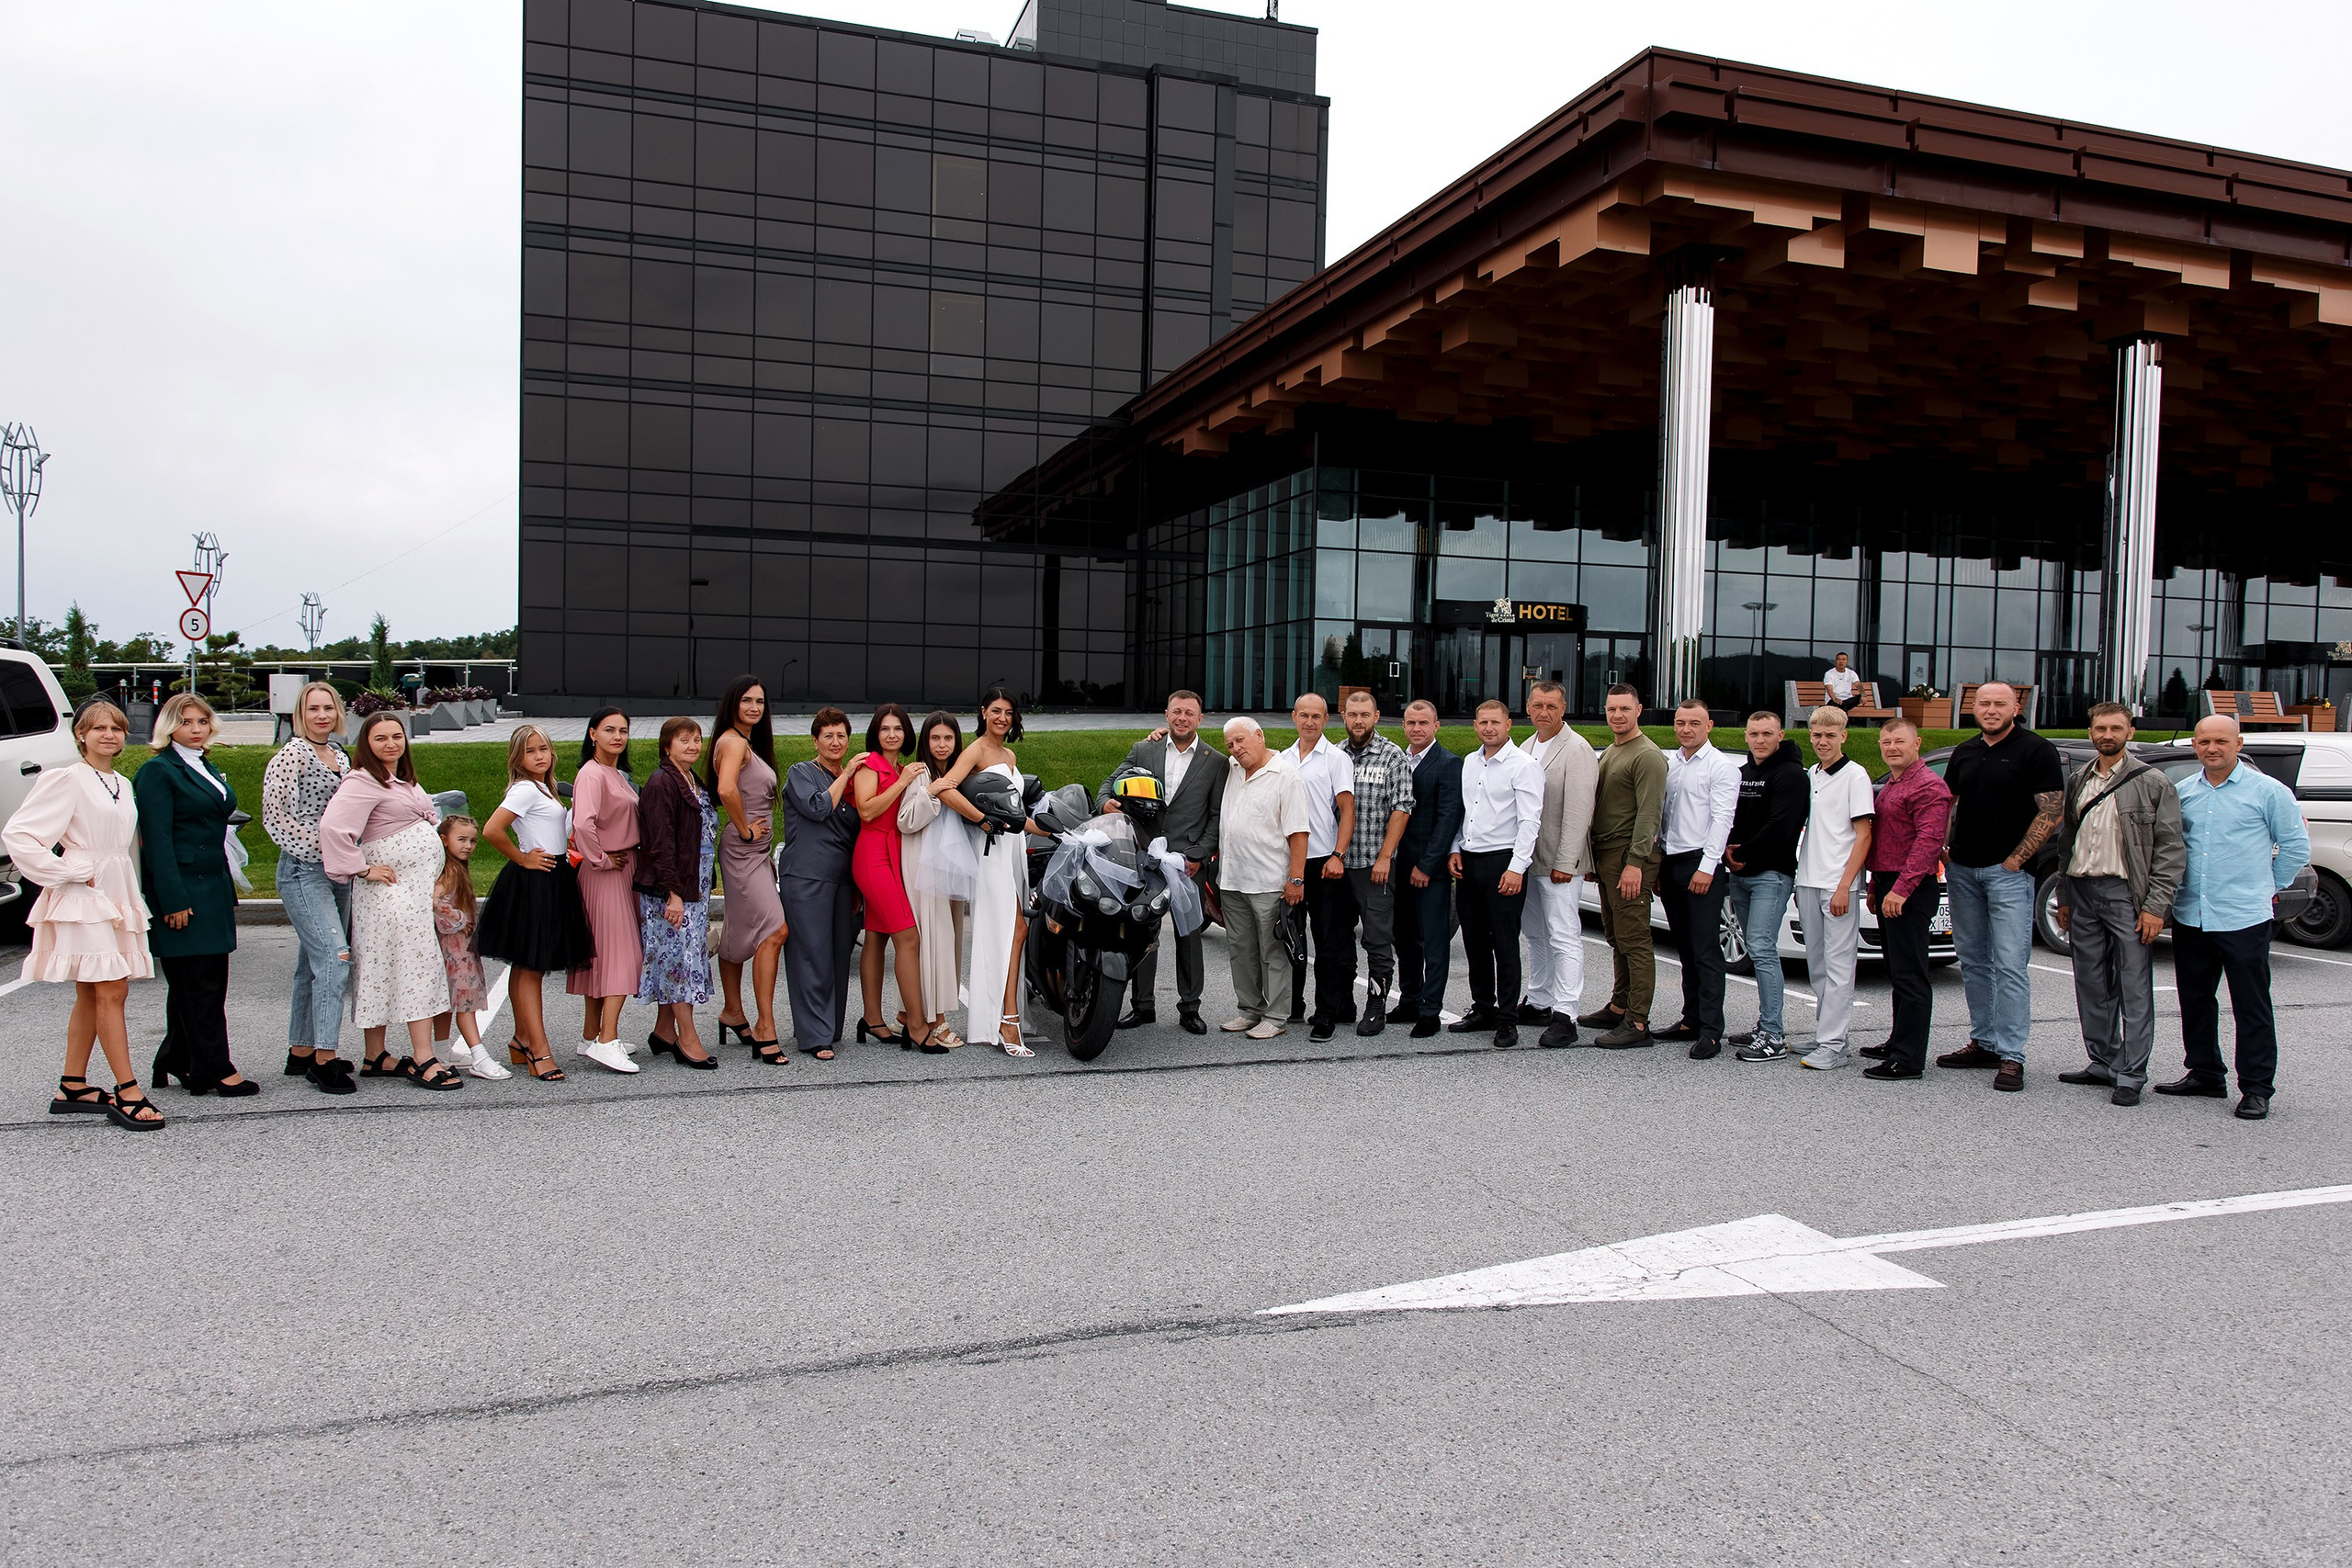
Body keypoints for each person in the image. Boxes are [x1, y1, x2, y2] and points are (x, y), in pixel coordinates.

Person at [4, 700, 164, 1131]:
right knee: (111, 991)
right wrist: (65, 870)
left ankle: (72, 1085)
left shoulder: (123, 784)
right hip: (84, 893)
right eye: (98, 728)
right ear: (81, 734)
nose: (109, 734)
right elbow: (18, 833)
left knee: (93, 993)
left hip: (116, 890)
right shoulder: (67, 779)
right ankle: (127, 1090)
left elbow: (124, 846)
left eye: (116, 727)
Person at [2157, 714, 2308, 1121]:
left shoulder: (2268, 792)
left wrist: (2265, 887)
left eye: (2221, 741)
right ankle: (2205, 1073)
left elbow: (2295, 848)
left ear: (2238, 744)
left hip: (2244, 916)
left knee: (2251, 1004)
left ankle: (2257, 1088)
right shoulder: (2184, 791)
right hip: (2193, 914)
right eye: (2204, 741)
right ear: (2194, 745)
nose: (2212, 749)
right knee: (2195, 999)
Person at [319, 712, 464, 1090]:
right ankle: (422, 1057)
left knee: (384, 969)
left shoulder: (400, 780)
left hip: (412, 894)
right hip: (390, 897)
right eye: (379, 738)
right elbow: (333, 828)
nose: (390, 744)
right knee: (417, 969)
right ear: (366, 743)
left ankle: (376, 1056)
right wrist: (362, 869)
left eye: (396, 736)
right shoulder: (362, 781)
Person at [2051, 703, 2185, 1105]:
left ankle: (2131, 1072)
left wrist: (2155, 906)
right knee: (2090, 981)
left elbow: (2170, 850)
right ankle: (2104, 1060)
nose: (2107, 734)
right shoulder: (2078, 779)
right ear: (2090, 732)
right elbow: (2067, 843)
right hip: (2083, 890)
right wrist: (2064, 895)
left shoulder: (2153, 782)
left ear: (2130, 732)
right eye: (2100, 728)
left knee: (2134, 985)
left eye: (2115, 728)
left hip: (2127, 894)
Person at [1936, 680, 2064, 1092]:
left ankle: (2012, 1056)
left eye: (1999, 704)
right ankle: (1984, 1041)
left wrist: (2017, 859)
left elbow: (2052, 810)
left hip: (2008, 874)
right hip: (1963, 871)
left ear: (2015, 707)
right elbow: (1947, 802)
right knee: (1972, 960)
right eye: (1984, 703)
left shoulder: (2036, 750)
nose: (1990, 709)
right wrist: (1943, 846)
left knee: (2010, 965)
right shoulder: (1965, 751)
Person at [137, 692, 254, 1097]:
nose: (196, 729)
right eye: (186, 722)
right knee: (199, 983)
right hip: (182, 891)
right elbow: (157, 841)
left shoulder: (205, 765)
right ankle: (215, 1068)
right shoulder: (158, 771)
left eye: (202, 722)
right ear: (170, 726)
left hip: (212, 887)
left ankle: (176, 1057)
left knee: (199, 981)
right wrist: (172, 901)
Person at [1096, 690, 1224, 1034]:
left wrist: (1200, 854)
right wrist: (1107, 802)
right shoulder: (1144, 749)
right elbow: (1109, 784)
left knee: (1189, 935)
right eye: (1177, 711)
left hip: (1187, 864)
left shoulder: (1215, 762)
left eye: (1190, 713)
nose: (1182, 718)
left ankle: (1190, 1008)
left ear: (1200, 718)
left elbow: (1216, 817)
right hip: (1144, 858)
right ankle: (1143, 1006)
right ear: (1166, 714)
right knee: (1142, 930)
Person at [935, 687, 1046, 1056]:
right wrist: (982, 820)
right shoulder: (976, 750)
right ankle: (1005, 1020)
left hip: (1013, 850)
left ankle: (1003, 1015)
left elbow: (1014, 815)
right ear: (983, 712)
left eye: (1009, 712)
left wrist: (1055, 829)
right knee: (1014, 929)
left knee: (1015, 930)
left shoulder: (1009, 754)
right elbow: (943, 788)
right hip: (991, 853)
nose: (1002, 718)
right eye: (996, 711)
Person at [477, 724, 592, 1082]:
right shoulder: (525, 789)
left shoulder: (545, 787)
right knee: (529, 966)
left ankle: (522, 1039)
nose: (540, 756)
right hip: (535, 880)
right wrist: (522, 858)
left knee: (529, 966)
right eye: (531, 751)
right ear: (518, 757)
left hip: (555, 877)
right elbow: (492, 830)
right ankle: (538, 1050)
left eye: (544, 749)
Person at [261, 680, 355, 1094]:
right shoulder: (290, 756)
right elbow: (275, 818)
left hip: (340, 873)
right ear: (300, 713)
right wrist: (325, 850)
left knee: (310, 966)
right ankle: (326, 1059)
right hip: (304, 871)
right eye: (313, 708)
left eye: (328, 708)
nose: (322, 716)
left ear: (338, 713)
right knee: (336, 961)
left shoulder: (339, 755)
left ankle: (301, 1050)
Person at [1447, 698, 1544, 1048]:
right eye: (1483, 722)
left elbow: (1530, 822)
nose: (1489, 728)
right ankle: (1483, 1009)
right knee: (1473, 940)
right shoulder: (1470, 763)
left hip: (1504, 862)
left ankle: (1507, 1019)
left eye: (1496, 722)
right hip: (1470, 861)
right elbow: (1466, 812)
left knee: (1504, 943)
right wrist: (1456, 847)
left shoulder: (1524, 766)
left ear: (1508, 726)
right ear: (1475, 726)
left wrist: (1517, 868)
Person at [1860, 717, 1952, 1081]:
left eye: (1899, 741)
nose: (1892, 748)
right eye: (1886, 742)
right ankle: (1897, 1040)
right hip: (1888, 883)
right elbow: (1885, 841)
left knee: (1911, 974)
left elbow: (1928, 843)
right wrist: (1875, 886)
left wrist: (1901, 889)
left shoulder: (1929, 786)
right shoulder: (1894, 784)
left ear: (1918, 744)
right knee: (1897, 970)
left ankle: (1909, 1058)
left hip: (1910, 888)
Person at [850, 704, 944, 1053]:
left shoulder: (903, 768)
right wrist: (903, 782)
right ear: (876, 733)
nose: (892, 735)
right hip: (873, 854)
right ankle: (916, 1025)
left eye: (898, 729)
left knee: (876, 936)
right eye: (885, 729)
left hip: (894, 855)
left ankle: (873, 1019)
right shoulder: (869, 765)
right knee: (908, 936)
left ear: (906, 734)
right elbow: (867, 809)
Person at [1579, 684, 1668, 1049]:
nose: (1617, 715)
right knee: (1616, 936)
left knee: (1634, 940)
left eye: (1624, 709)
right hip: (1606, 858)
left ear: (1639, 710)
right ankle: (1619, 1005)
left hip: (1627, 858)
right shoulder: (1614, 750)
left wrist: (1635, 864)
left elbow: (1650, 815)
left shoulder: (1646, 755)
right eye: (1611, 708)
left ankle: (1637, 1021)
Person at [1652, 698, 1740, 1058]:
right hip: (1671, 862)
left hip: (1700, 864)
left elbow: (1722, 820)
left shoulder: (1721, 767)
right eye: (1680, 722)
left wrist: (1708, 867)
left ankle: (1711, 1029)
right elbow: (1663, 814)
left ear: (1709, 726)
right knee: (1685, 948)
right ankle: (1690, 1019)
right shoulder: (1672, 762)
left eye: (1694, 723)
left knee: (1705, 950)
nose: (1686, 729)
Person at [707, 676, 787, 1063]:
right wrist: (743, 828)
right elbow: (725, 790)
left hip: (752, 850)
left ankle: (732, 1011)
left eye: (760, 701)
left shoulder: (742, 740)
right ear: (732, 703)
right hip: (742, 848)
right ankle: (765, 1025)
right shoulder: (734, 741)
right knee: (776, 929)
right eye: (746, 701)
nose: (754, 707)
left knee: (739, 928)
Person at [1212, 716, 1306, 1039]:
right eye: (1230, 745)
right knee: (1240, 949)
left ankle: (1276, 1016)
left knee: (1272, 951)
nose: (1236, 749)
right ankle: (1249, 1010)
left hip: (1269, 882)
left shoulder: (1286, 776)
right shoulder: (1233, 769)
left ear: (1259, 735)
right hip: (1232, 879)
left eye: (1241, 741)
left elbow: (1298, 833)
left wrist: (1296, 880)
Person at [1792, 706, 1876, 1070]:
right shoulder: (1811, 774)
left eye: (1830, 735)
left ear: (1844, 736)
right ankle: (1826, 1033)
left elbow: (1864, 835)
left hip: (1836, 886)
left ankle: (1834, 1043)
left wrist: (1846, 886)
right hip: (1809, 881)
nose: (1822, 741)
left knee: (1840, 965)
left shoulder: (1855, 776)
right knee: (1818, 965)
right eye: (1816, 735)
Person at [1514, 681, 1597, 1048]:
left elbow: (1580, 811)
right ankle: (1539, 1000)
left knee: (1563, 936)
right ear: (1528, 708)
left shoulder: (1576, 749)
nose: (1543, 712)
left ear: (1563, 708)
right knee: (1535, 934)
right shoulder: (1527, 746)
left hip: (1560, 863)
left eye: (1551, 706)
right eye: (1537, 705)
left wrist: (1566, 861)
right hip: (1529, 860)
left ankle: (1566, 1013)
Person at [780, 707, 863, 1061]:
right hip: (806, 876)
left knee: (839, 954)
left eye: (841, 735)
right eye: (827, 735)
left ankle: (829, 1027)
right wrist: (846, 775)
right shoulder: (801, 772)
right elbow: (817, 808)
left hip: (844, 879)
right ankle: (815, 1036)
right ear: (815, 740)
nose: (835, 741)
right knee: (811, 953)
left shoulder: (857, 782)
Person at [636, 716, 718, 1068]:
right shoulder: (661, 782)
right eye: (684, 739)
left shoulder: (690, 779)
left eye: (697, 739)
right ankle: (687, 1037)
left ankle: (664, 1032)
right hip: (672, 890)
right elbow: (661, 843)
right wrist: (673, 893)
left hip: (694, 887)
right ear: (666, 745)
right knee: (680, 964)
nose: (693, 745)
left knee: (679, 959)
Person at [1724, 712, 1808, 1061]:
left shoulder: (1791, 775)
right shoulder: (1744, 774)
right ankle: (1763, 1026)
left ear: (1780, 735)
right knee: (1755, 948)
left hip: (1770, 875)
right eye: (1754, 733)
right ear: (1746, 736)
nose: (1760, 740)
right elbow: (1729, 816)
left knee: (1761, 948)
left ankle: (1773, 1035)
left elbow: (1782, 824)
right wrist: (1727, 851)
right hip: (1739, 875)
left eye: (1767, 733)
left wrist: (1742, 851)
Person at [1333, 691, 1414, 1037]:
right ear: (1343, 715)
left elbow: (1402, 808)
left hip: (1374, 865)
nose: (1358, 721)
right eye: (1352, 714)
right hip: (1336, 864)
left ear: (1376, 716)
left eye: (1365, 714)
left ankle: (1376, 1006)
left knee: (1378, 941)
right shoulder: (1334, 754)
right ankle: (1341, 1003)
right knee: (1337, 938)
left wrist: (1385, 857)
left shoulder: (1392, 756)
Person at [568, 707, 644, 1075]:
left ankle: (590, 1034)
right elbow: (582, 823)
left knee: (602, 955)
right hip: (606, 871)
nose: (617, 736)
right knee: (624, 954)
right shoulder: (592, 774)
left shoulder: (615, 773)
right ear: (592, 733)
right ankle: (607, 1039)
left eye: (623, 730)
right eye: (609, 730)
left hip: (622, 867)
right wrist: (599, 858)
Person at [897, 711, 976, 1049]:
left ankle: (911, 1013)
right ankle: (934, 1019)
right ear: (925, 742)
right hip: (923, 868)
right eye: (935, 738)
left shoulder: (957, 773)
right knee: (934, 941)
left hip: (951, 868)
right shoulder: (919, 773)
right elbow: (905, 821)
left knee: (951, 939)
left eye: (948, 738)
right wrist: (931, 791)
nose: (942, 745)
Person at [1283, 693, 1356, 1034]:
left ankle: (1326, 1012)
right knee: (1290, 938)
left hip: (1324, 862)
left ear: (1326, 720)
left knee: (1326, 939)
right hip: (1290, 863)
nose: (1309, 722)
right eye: (1304, 715)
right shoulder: (1282, 759)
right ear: (1294, 717)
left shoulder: (1336, 759)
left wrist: (1338, 855)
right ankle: (1292, 1005)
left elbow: (1346, 811)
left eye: (1317, 716)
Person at [1391, 700, 1462, 1041]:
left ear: (1436, 726)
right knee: (1404, 939)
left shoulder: (1448, 763)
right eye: (1410, 722)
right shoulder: (1397, 760)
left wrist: (1427, 865)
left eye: (1423, 723)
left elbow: (1448, 819)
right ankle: (1410, 999)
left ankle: (1431, 1010)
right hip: (1396, 867)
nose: (1416, 728)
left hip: (1427, 869)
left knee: (1433, 942)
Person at [428, 814, 508, 1079]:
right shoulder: (449, 870)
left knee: (449, 999)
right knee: (465, 1003)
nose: (468, 845)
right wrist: (461, 920)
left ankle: (441, 1049)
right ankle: (479, 1055)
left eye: (472, 841)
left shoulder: (457, 868)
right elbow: (437, 903)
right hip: (455, 950)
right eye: (461, 839)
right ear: (443, 840)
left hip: (457, 949)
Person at [1823, 652, 1863, 716]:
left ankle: (1843, 707)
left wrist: (1864, 695)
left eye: (1843, 660)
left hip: (1847, 700)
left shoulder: (1851, 673)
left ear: (1847, 661)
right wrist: (1835, 698)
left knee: (1860, 697)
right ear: (1836, 661)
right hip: (1833, 700)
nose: (1841, 661)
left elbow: (1858, 684)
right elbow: (1829, 688)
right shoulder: (1829, 673)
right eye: (1839, 659)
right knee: (1839, 706)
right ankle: (1844, 715)